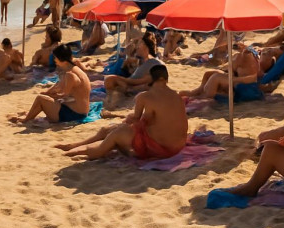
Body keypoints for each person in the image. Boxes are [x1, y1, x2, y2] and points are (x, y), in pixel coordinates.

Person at [56, 65, 188, 159]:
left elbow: (136, 119)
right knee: (113, 130)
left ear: (151, 80)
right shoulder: (176, 96)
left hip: (160, 147)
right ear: (166, 79)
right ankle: (75, 145)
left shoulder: (145, 97)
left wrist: (130, 119)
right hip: (177, 146)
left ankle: (77, 151)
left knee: (115, 133)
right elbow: (157, 118)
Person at [11, 45, 90, 123]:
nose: (54, 60)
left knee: (40, 99)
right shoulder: (74, 69)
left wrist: (50, 95)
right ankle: (29, 116)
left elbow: (64, 96)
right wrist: (48, 93)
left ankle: (25, 120)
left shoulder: (70, 75)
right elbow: (59, 85)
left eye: (56, 58)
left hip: (74, 114)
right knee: (44, 96)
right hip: (80, 111)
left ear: (62, 59)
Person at [179, 42, 260, 99]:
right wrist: (201, 55)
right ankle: (196, 91)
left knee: (215, 76)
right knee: (208, 73)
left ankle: (203, 96)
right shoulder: (227, 45)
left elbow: (213, 54)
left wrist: (202, 57)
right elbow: (212, 53)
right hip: (217, 60)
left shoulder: (234, 50)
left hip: (237, 78)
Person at [103, 35, 163, 108]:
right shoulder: (142, 60)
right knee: (109, 79)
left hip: (134, 85)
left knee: (109, 79)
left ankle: (126, 91)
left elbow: (147, 80)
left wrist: (124, 81)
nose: (137, 47)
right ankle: (124, 90)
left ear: (145, 46)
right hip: (131, 84)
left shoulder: (154, 63)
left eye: (139, 44)